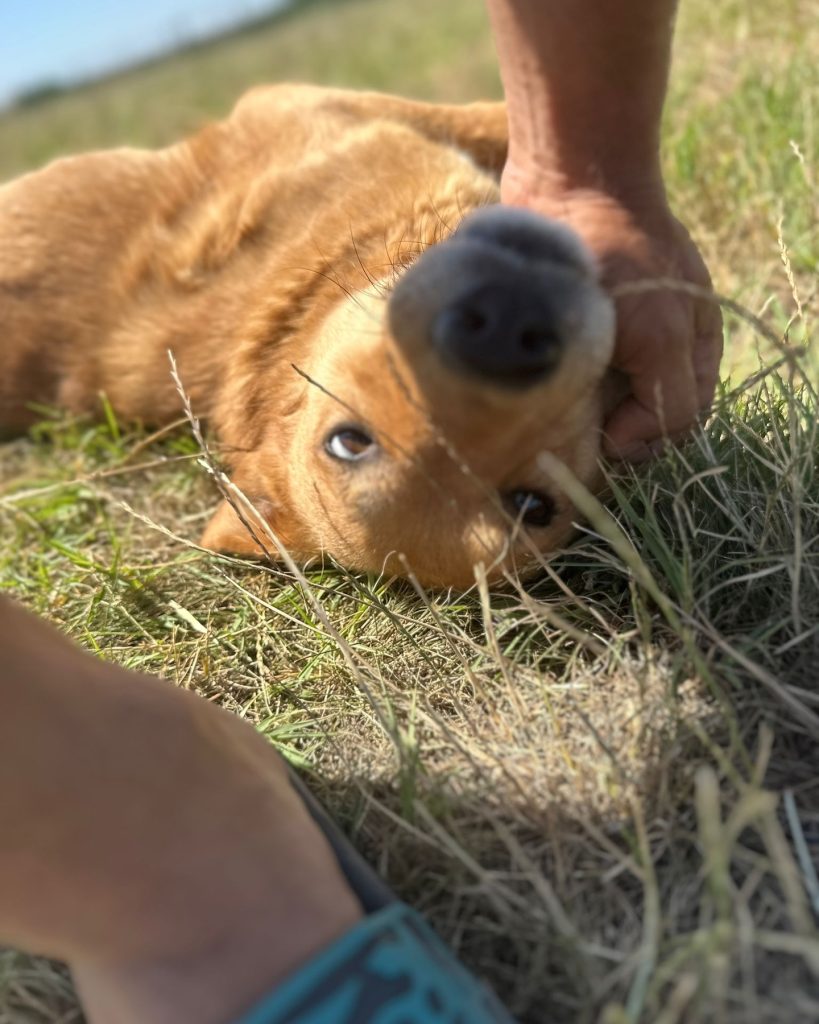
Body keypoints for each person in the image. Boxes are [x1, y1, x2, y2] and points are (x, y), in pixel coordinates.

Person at [0, 2, 722, 1021]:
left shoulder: (223, 235)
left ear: (279, 422)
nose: (497, 371)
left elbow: (286, 110)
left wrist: (570, 167)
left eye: (352, 440)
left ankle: (163, 849)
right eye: (526, 502)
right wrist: (573, 174)